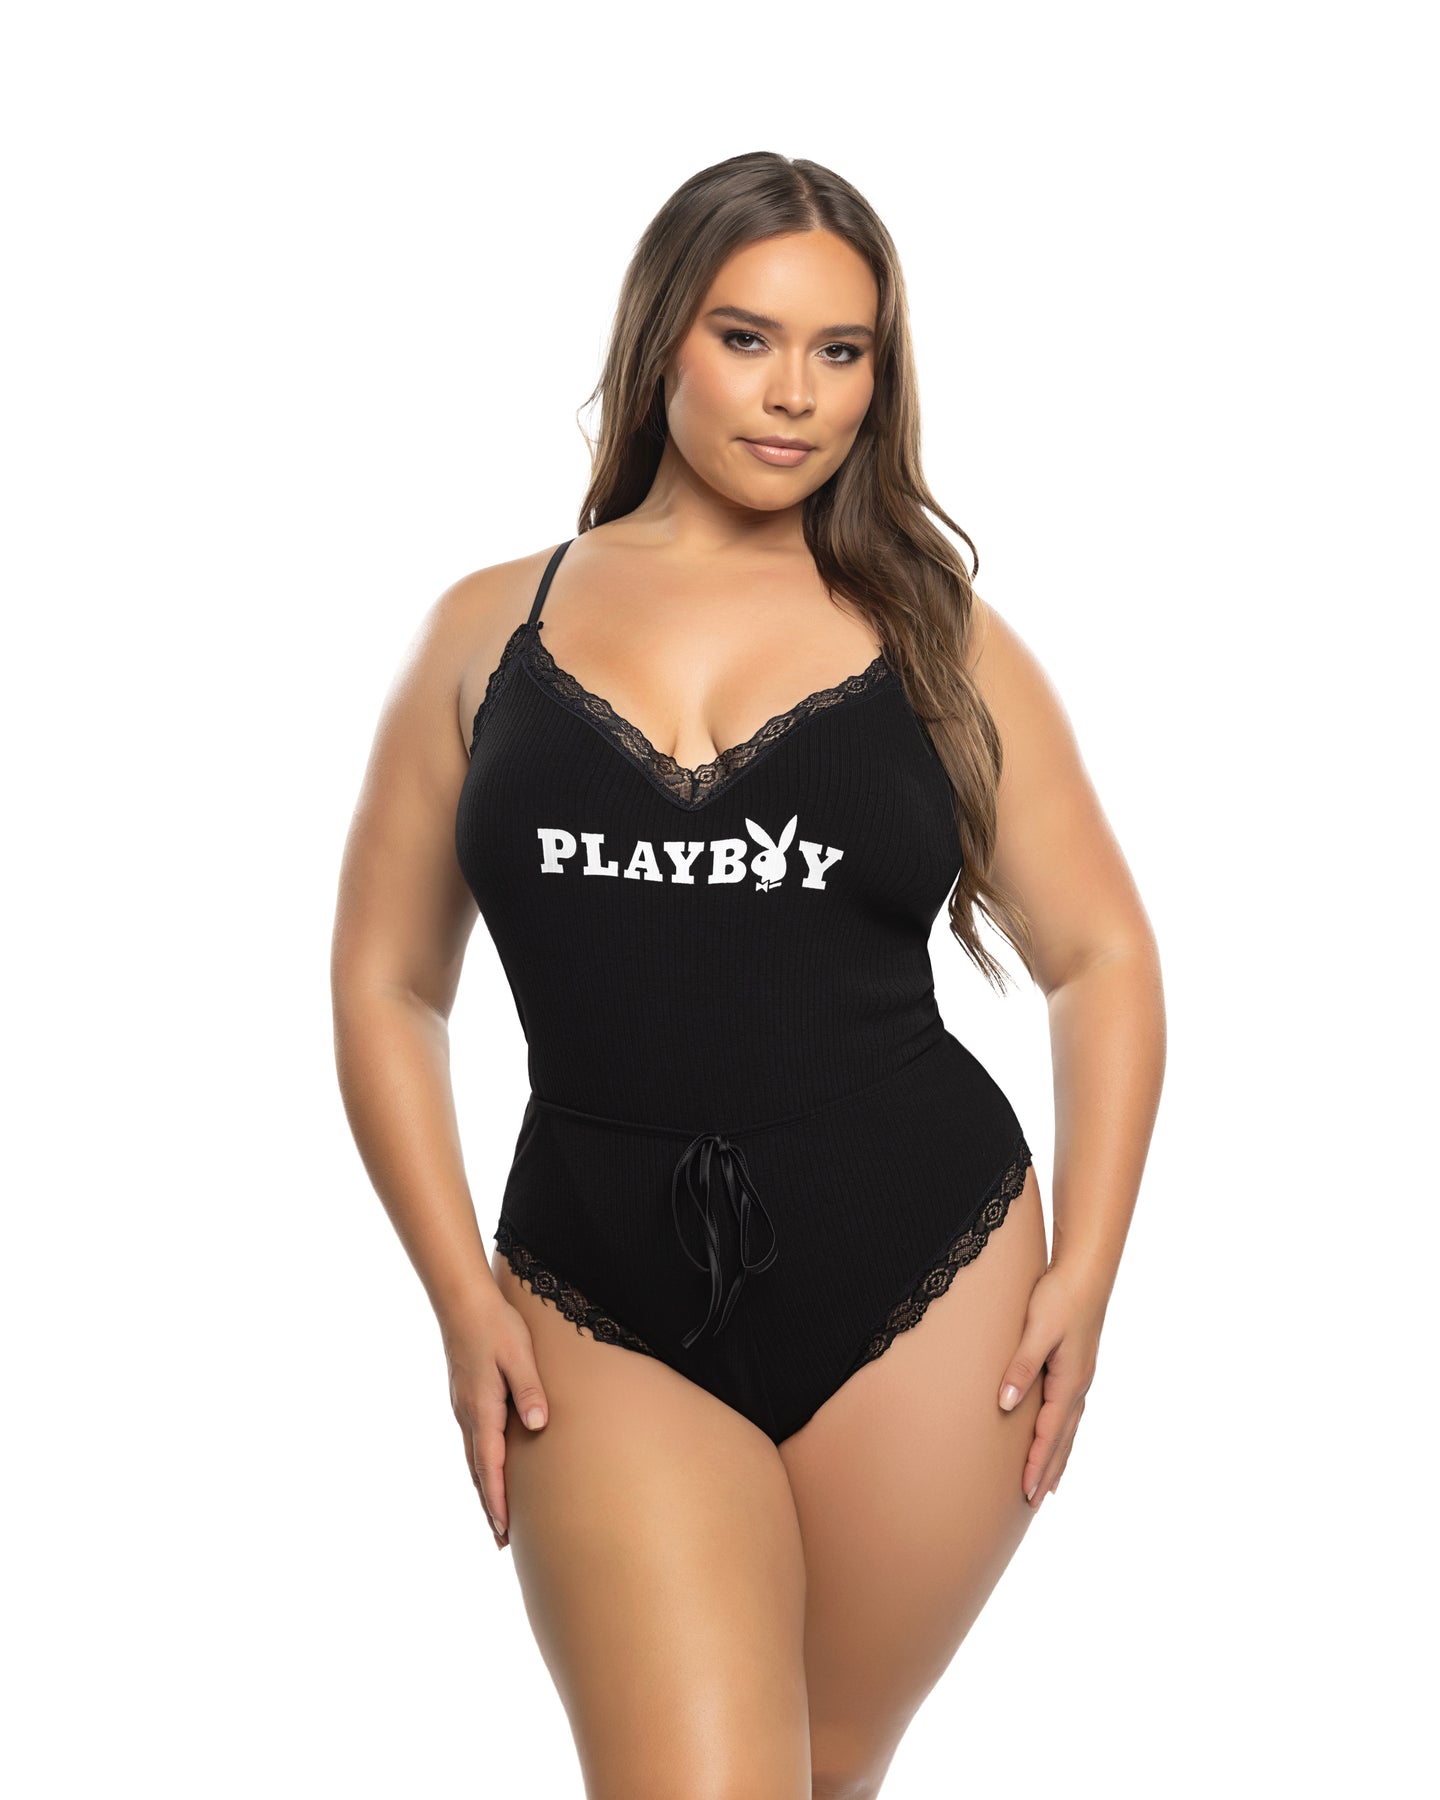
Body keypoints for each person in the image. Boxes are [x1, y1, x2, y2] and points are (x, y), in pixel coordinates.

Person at [331, 150, 1166, 1799]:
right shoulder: (486, 633)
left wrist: (1091, 1271)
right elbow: (386, 983)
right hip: (591, 1292)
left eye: (841, 352)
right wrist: (455, 1291)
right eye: (748, 338)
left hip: (930, 1276)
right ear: (662, 340)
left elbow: (1102, 954)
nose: (796, 395)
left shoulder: (938, 637)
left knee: (825, 1774)